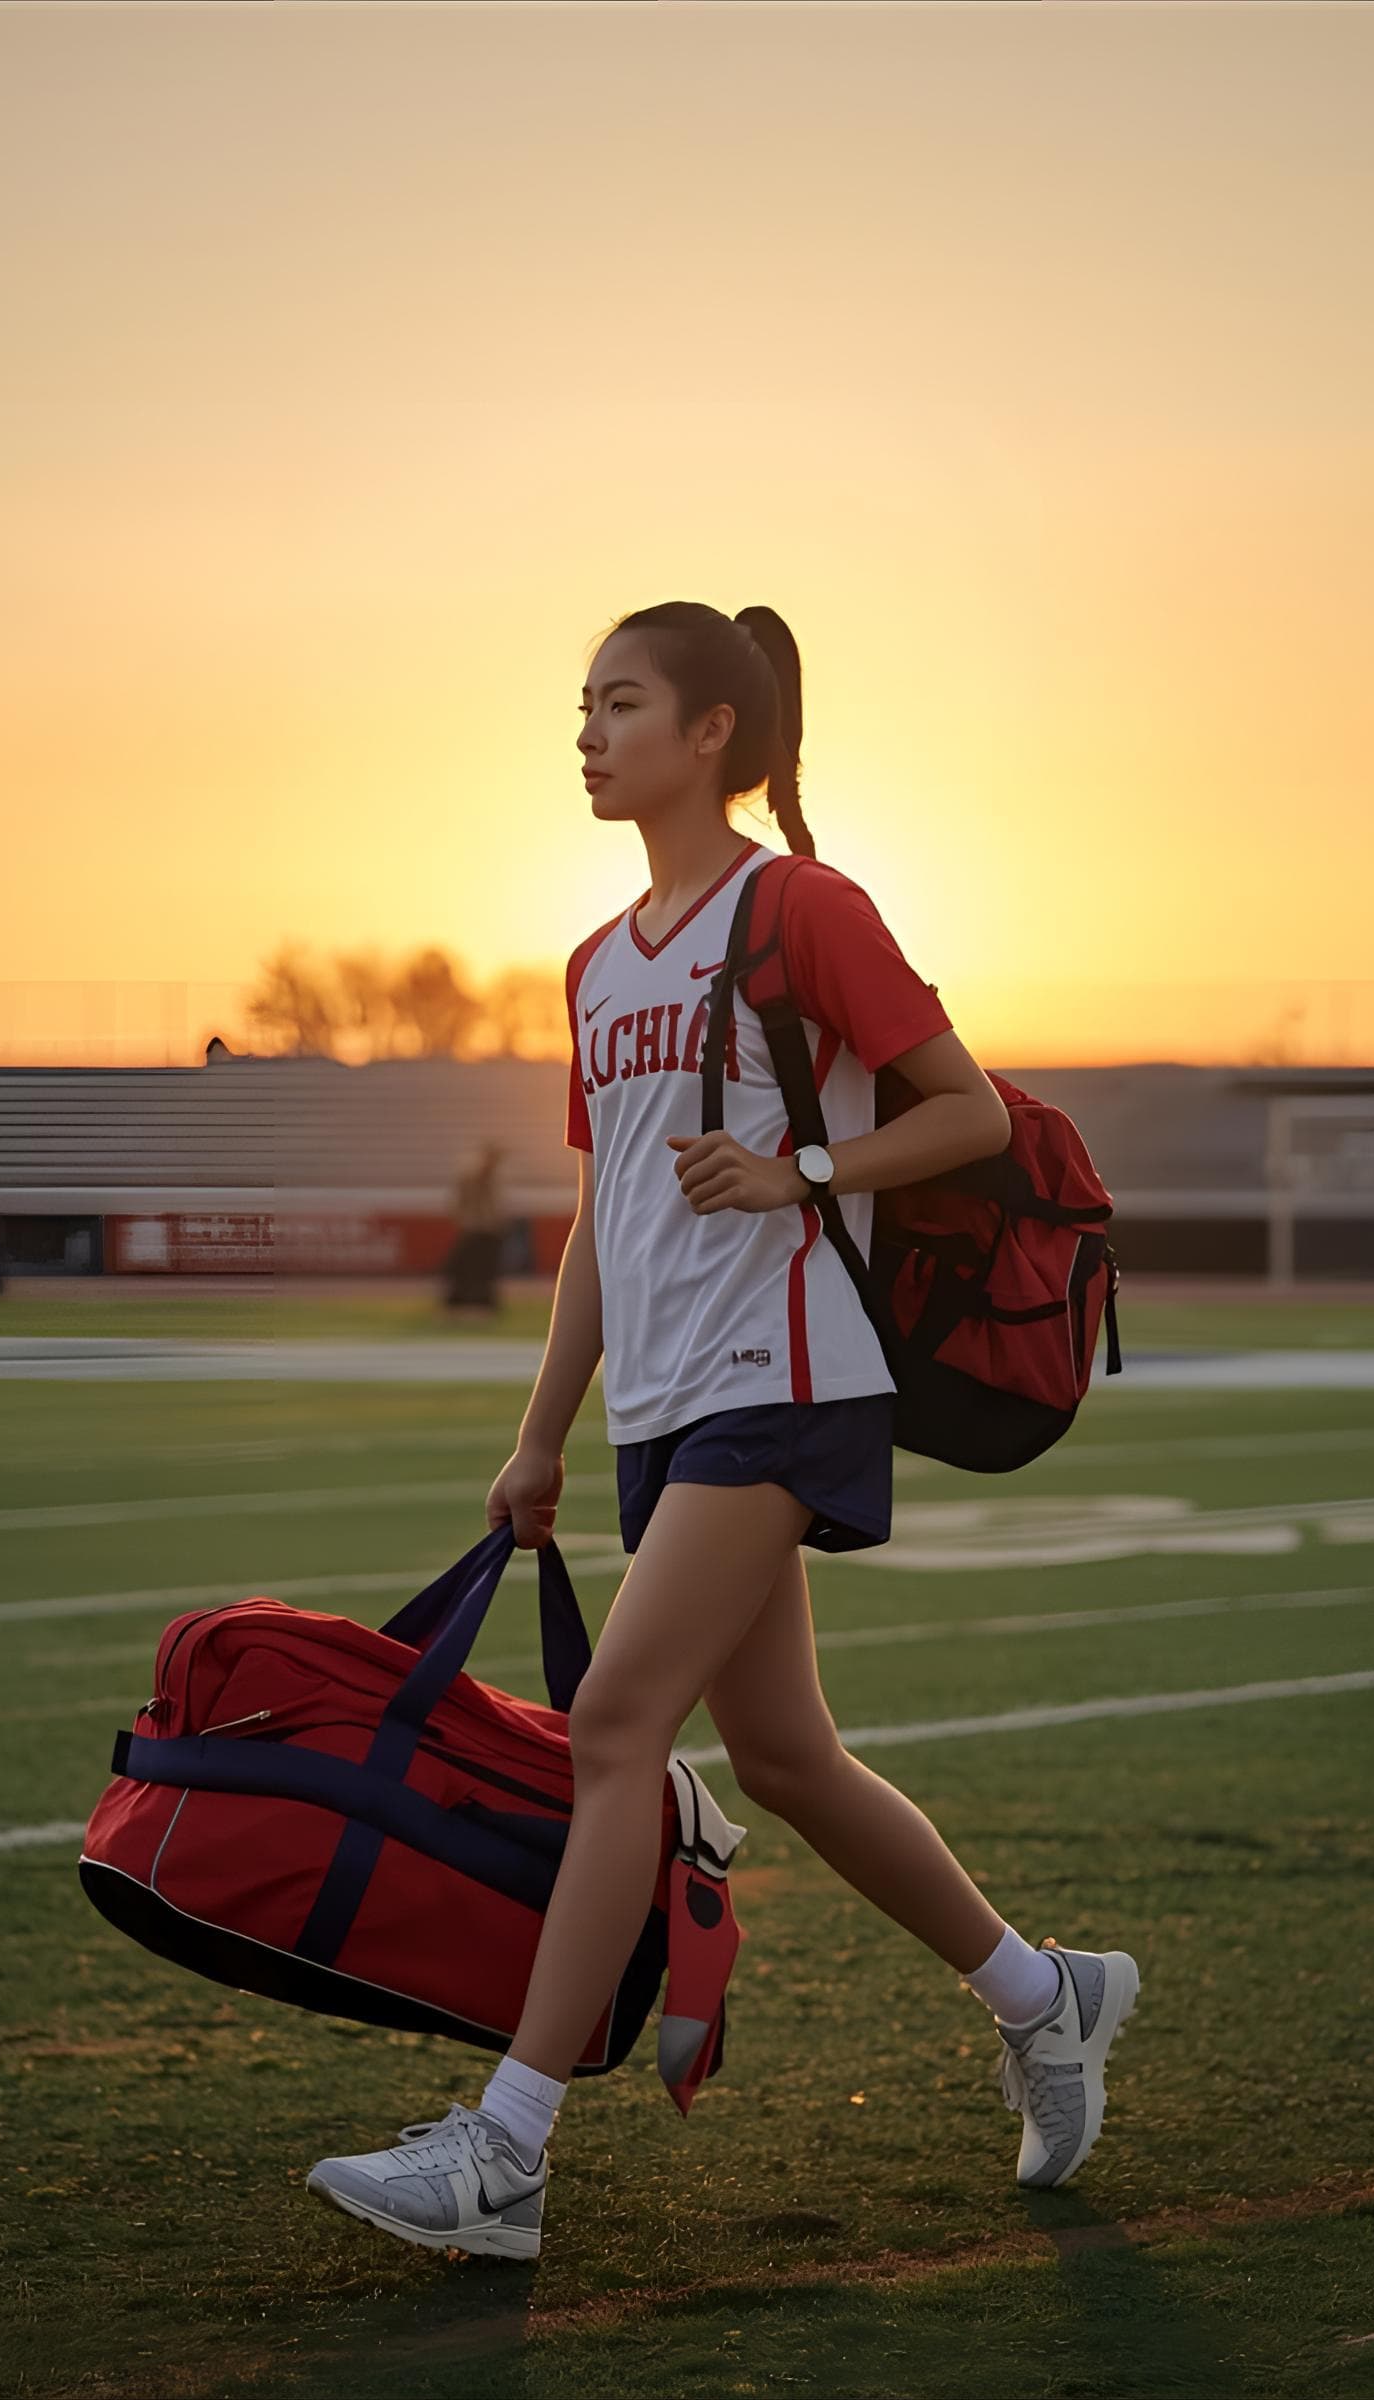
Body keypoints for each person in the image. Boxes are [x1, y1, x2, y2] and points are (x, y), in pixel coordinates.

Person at [305, 603, 1138, 2260]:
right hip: (667, 1402)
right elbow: (603, 1219)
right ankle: (1050, 1998)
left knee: (615, 1728)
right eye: (583, 707)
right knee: (782, 1759)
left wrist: (805, 1172)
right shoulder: (597, 961)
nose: (590, 734)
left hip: (793, 1375)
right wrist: (541, 1431)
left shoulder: (803, 907)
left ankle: (508, 2152)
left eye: (621, 704)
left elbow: (967, 1109)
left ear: (710, 735)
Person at [441, 1143, 508, 1314]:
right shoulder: (473, 1177)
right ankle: (461, 1301)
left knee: (484, 1269)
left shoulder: (491, 1178)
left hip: (486, 1229)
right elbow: (461, 1202)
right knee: (467, 1267)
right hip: (476, 1228)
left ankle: (479, 1301)